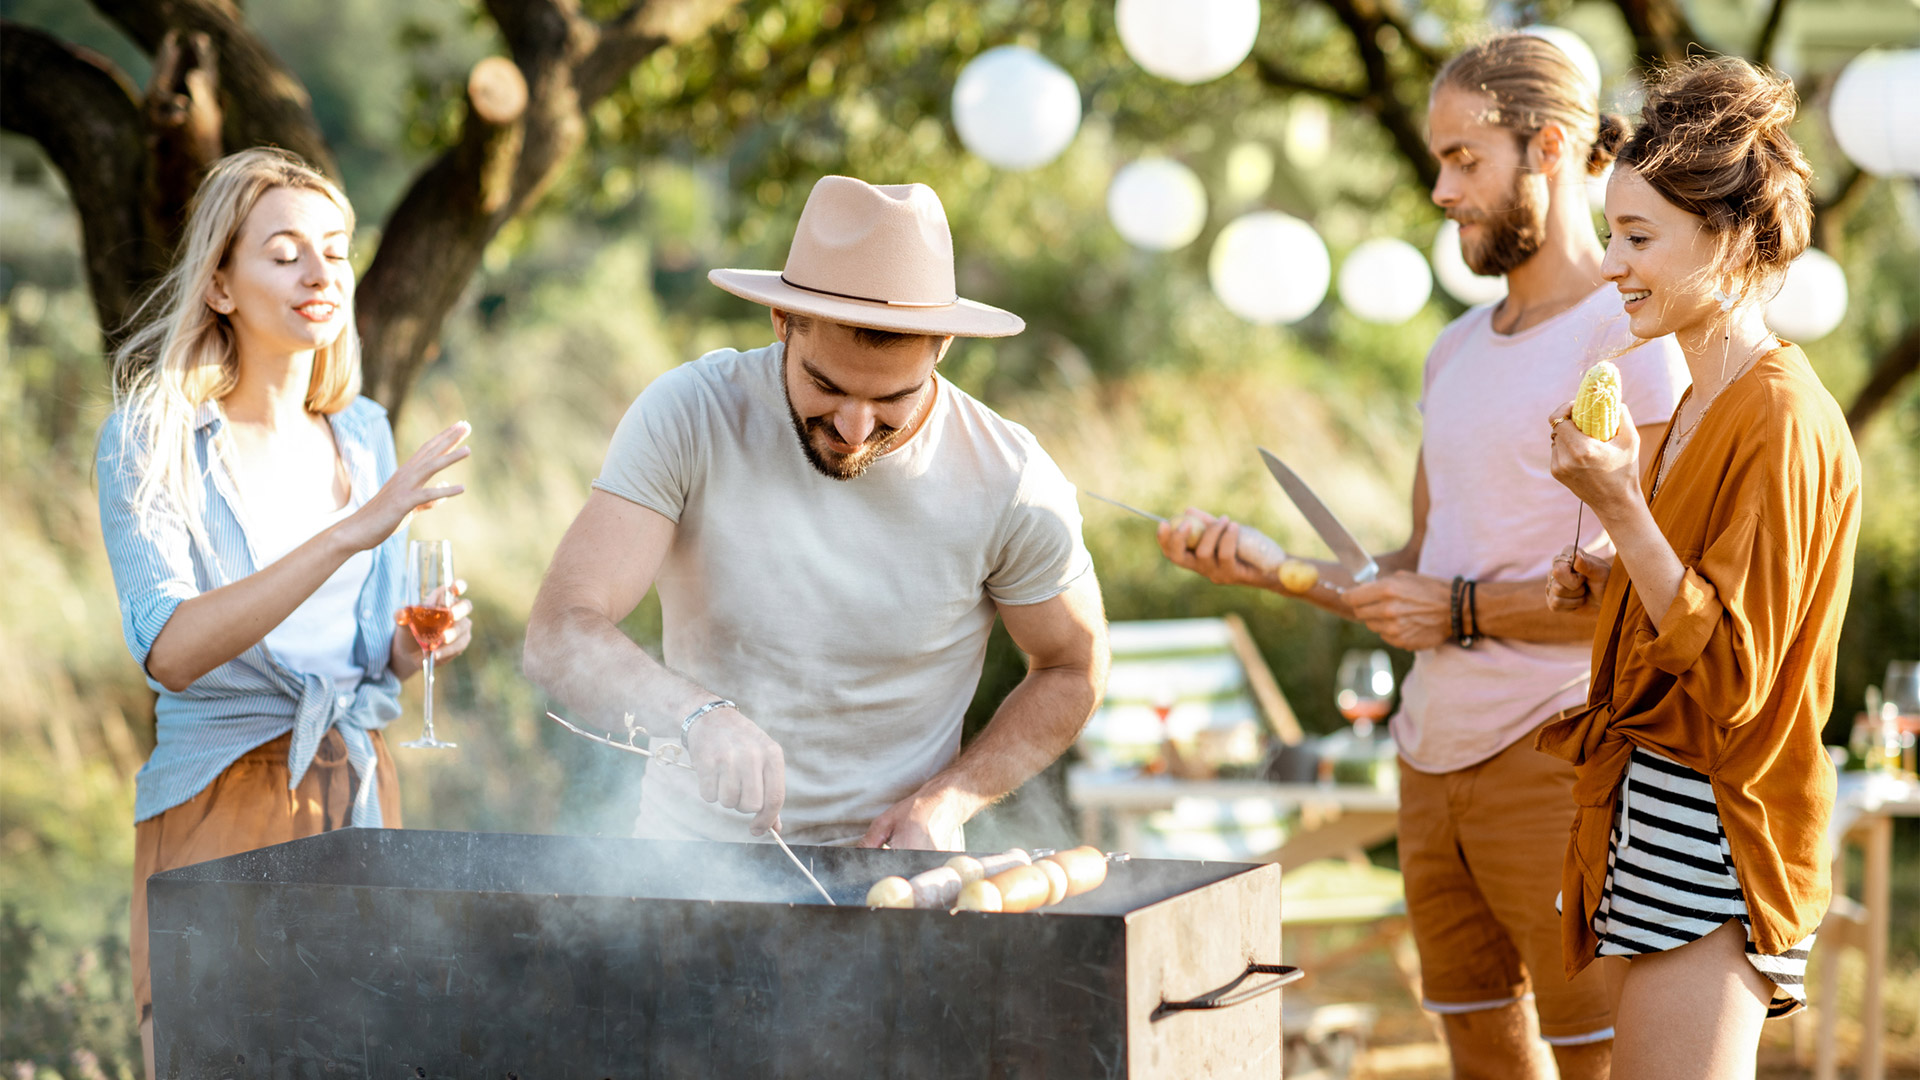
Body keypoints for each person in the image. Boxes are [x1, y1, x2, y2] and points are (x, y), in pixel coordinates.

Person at [1157, 33, 1690, 1078]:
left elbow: (1647, 586)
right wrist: (1269, 569)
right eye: (1439, 161)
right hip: (1427, 759)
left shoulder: (1627, 339)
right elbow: (1416, 565)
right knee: (1480, 1060)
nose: (1441, 190)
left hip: (1560, 760)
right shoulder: (1453, 350)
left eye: (1463, 159)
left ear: (1548, 147)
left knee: (1598, 1062)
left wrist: (1456, 614)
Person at [524, 175, 1109, 850]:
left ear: (943, 347)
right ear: (781, 322)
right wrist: (693, 715)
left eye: (891, 397)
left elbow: (1072, 667)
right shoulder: (690, 415)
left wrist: (946, 802)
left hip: (899, 880)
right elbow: (559, 632)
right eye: (825, 385)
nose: (856, 428)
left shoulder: (1010, 477)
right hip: (687, 864)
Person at [97, 148, 473, 1075]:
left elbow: (363, 650)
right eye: (285, 252)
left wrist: (414, 646)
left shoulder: (365, 433)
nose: (321, 275)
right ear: (220, 283)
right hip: (221, 801)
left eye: (337, 251)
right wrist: (351, 534)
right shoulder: (155, 439)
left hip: (357, 789)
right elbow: (173, 649)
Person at [1542, 57, 1858, 1079]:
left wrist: (1620, 504)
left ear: (1724, 240)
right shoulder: (1701, 402)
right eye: (1611, 235)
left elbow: (1730, 674)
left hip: (1720, 834)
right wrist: (1612, 571)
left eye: (1638, 238)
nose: (1610, 265)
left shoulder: (1778, 412)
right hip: (1655, 818)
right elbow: (1693, 598)